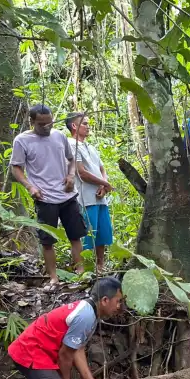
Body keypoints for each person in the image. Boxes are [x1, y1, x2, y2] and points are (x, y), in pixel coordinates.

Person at [10, 104, 85, 285]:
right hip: (44, 198)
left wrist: (71, 175)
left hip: (67, 195)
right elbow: (15, 167)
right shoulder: (22, 140)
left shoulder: (59, 136)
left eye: (49, 122)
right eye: (41, 124)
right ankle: (53, 277)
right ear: (32, 122)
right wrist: (30, 187)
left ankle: (82, 273)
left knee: (75, 235)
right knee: (47, 241)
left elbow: (71, 159)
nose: (46, 127)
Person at [66, 112, 114, 271]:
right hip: (85, 197)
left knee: (102, 233)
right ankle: (84, 268)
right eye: (84, 123)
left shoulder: (90, 147)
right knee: (87, 235)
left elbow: (101, 168)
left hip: (99, 197)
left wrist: (103, 184)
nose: (88, 126)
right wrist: (105, 183)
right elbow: (81, 172)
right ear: (74, 126)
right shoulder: (71, 145)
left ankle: (100, 265)